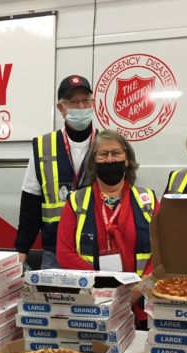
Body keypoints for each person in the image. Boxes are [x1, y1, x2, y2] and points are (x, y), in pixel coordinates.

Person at [56, 129, 160, 329]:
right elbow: (64, 253)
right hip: (91, 301)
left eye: (116, 153)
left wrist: (138, 289)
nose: (110, 159)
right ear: (93, 162)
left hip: (142, 302)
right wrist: (103, 287)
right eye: (103, 154)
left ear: (127, 159)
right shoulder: (77, 201)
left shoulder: (148, 200)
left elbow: (162, 252)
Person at [15, 75, 99, 269]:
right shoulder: (44, 147)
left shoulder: (107, 146)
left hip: (98, 250)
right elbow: (30, 204)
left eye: (85, 101)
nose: (80, 107)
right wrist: (22, 250)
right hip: (56, 252)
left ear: (93, 104)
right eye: (73, 102)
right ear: (61, 108)